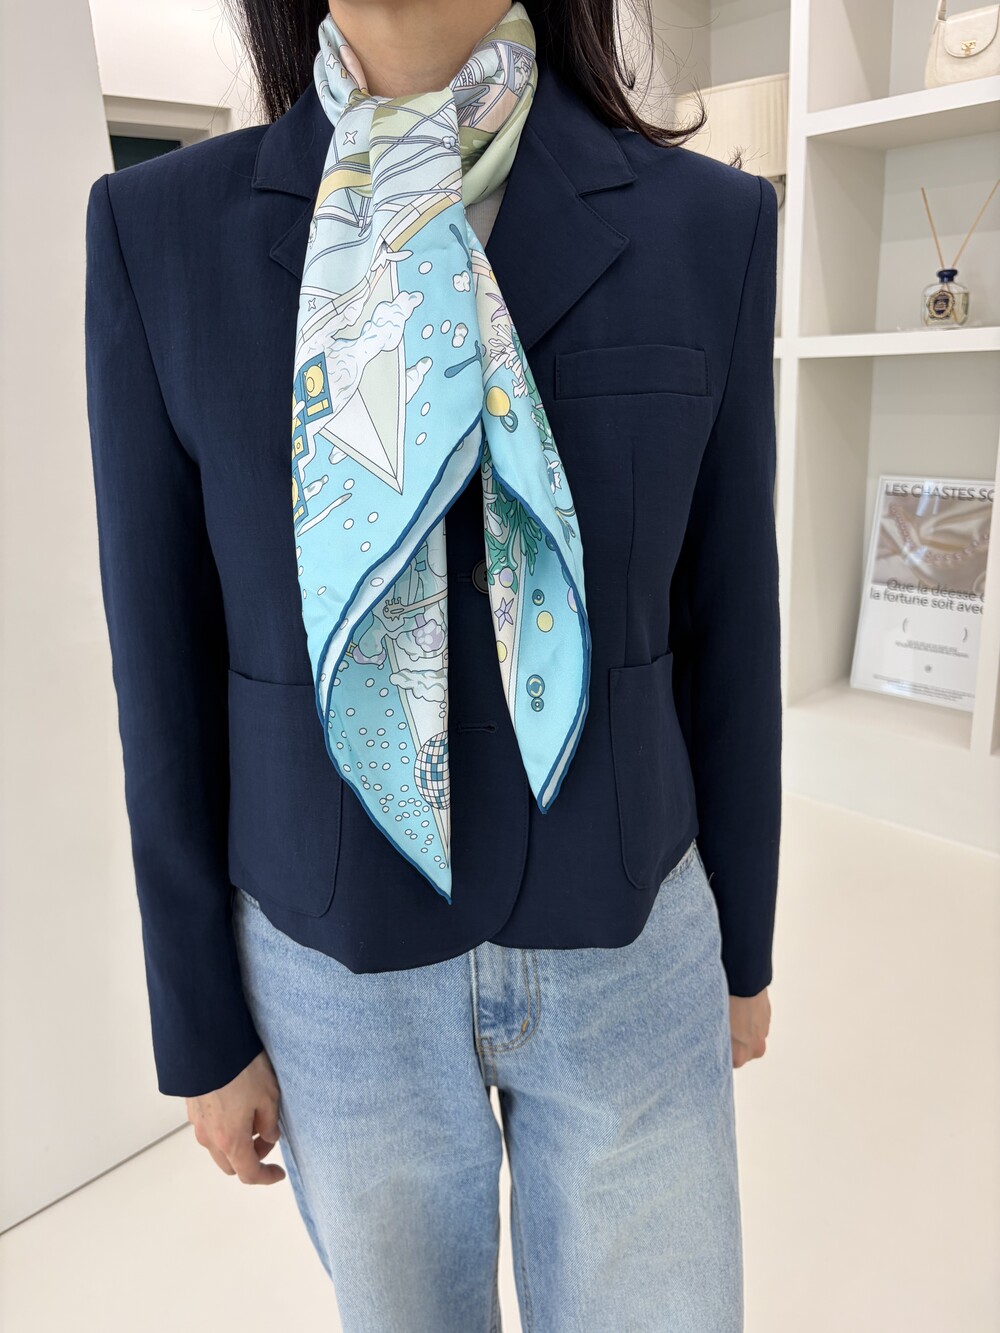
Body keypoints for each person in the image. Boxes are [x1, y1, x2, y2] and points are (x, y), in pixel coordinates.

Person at [84, 0, 780, 1328]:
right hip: (334, 956)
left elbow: (731, 618)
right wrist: (199, 1024)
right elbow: (159, 666)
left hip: (631, 939)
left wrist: (742, 948)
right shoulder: (158, 233)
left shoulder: (708, 226)